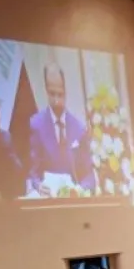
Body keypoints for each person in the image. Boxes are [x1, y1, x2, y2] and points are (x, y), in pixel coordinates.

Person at [28, 62, 94, 194]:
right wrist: (38, 186)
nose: (57, 100)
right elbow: (32, 173)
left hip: (73, 201)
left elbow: (89, 175)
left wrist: (81, 190)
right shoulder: (35, 125)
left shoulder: (79, 128)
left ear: (66, 91)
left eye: (60, 94)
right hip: (47, 203)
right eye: (52, 94)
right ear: (46, 90)